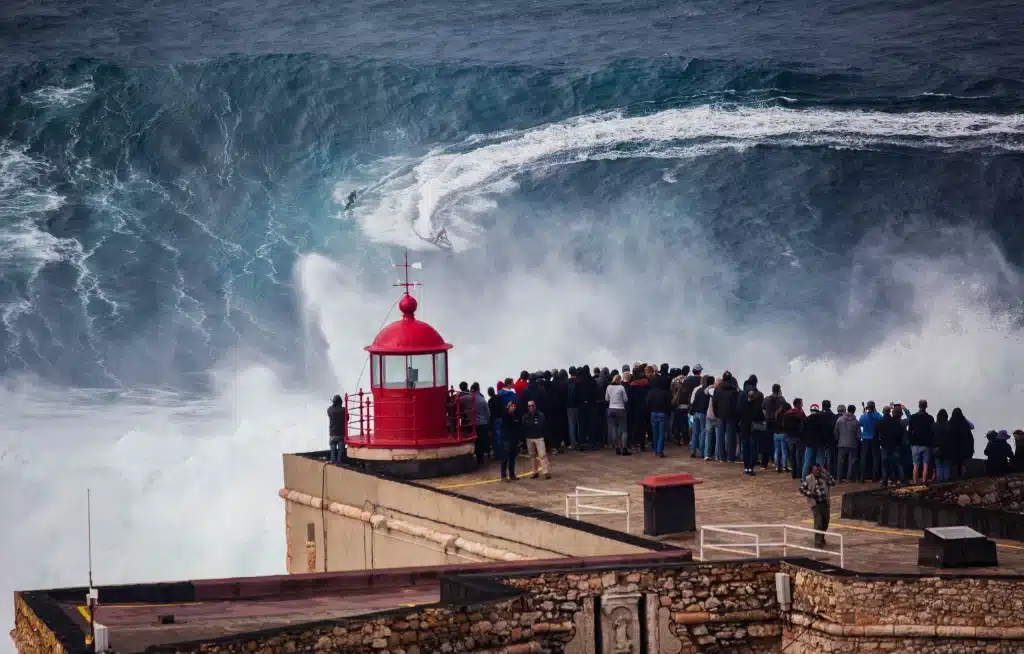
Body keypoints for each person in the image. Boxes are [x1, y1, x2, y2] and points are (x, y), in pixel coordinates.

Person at [800, 462, 836, 548]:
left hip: (825, 503)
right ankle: (818, 541)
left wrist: (826, 473)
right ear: (812, 470)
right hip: (815, 504)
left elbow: (833, 483)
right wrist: (810, 494)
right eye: (815, 470)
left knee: (825, 522)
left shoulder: (824, 478)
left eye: (819, 470)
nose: (817, 471)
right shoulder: (808, 478)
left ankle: (821, 537)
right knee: (818, 522)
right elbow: (801, 489)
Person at [712, 371, 741, 462]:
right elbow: (737, 405)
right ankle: (730, 456)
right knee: (730, 437)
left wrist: (716, 414)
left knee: (720, 437)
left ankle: (722, 457)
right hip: (731, 416)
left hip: (720, 415)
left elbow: (714, 403)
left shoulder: (717, 389)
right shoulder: (734, 391)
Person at [877, 406, 906, 487]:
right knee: (898, 464)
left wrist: (880, 442)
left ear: (883, 412)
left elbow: (876, 434)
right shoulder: (894, 421)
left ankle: (885, 481)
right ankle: (902, 480)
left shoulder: (880, 422)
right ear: (890, 412)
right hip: (895, 445)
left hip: (884, 445)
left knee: (884, 465)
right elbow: (900, 432)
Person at [908, 399, 935, 484]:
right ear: (926, 406)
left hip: (915, 444)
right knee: (926, 465)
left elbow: (909, 431)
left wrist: (911, 442)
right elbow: (932, 432)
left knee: (915, 465)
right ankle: (924, 482)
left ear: (919, 406)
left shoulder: (913, 417)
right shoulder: (930, 418)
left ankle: (915, 482)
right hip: (926, 444)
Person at [740, 388, 766, 475]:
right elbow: (762, 418)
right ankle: (751, 467)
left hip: (744, 429)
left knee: (745, 449)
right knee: (753, 449)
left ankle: (746, 467)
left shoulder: (743, 405)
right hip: (753, 430)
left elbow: (739, 414)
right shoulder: (757, 406)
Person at [763, 384, 788, 472]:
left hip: (768, 423)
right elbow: (786, 411)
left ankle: (765, 464)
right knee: (781, 448)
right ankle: (781, 465)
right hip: (778, 425)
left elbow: (763, 411)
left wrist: (766, 419)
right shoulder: (782, 400)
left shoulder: (766, 399)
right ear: (779, 390)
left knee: (768, 445)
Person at [647, 369, 672, 457]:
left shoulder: (651, 392)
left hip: (653, 413)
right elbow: (668, 404)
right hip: (662, 413)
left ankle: (655, 449)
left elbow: (648, 403)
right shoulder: (665, 393)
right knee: (661, 433)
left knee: (655, 432)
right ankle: (660, 450)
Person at [834, 405, 860, 482]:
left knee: (840, 462)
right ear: (854, 411)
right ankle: (849, 478)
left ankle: (839, 478)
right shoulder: (856, 422)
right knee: (851, 462)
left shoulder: (840, 420)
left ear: (847, 410)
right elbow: (858, 435)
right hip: (852, 444)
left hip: (841, 443)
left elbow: (836, 432)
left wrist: (838, 439)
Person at [858, 401, 883, 482]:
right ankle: (874, 477)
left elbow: (861, 424)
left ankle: (862, 477)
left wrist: (865, 414)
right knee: (875, 458)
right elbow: (881, 421)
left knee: (863, 458)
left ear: (867, 407)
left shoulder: (863, 416)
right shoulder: (878, 416)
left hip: (865, 439)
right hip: (875, 439)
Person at [802, 404, 829, 478]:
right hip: (820, 443)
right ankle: (819, 478)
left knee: (807, 462)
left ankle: (804, 479)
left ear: (811, 411)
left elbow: (803, 431)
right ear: (818, 410)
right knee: (820, 462)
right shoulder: (823, 420)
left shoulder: (806, 419)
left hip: (809, 443)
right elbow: (825, 432)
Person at [782, 398, 807, 479]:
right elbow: (805, 423)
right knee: (799, 456)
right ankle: (799, 473)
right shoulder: (800, 413)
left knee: (792, 456)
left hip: (790, 437)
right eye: (801, 403)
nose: (802, 405)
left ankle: (793, 473)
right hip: (799, 437)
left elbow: (784, 425)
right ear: (798, 404)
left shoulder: (787, 414)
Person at [606, 374, 630, 455]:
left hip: (611, 409)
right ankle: (624, 448)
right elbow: (626, 399)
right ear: (620, 380)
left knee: (614, 429)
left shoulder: (609, 387)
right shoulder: (621, 387)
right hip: (620, 409)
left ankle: (617, 447)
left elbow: (606, 398)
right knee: (624, 430)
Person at [689, 374, 711, 459]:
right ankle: (702, 452)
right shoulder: (708, 392)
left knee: (695, 433)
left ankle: (693, 450)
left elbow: (694, 402)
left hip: (695, 413)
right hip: (703, 413)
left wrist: (692, 412)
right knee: (703, 432)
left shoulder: (698, 390)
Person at [948, 408, 975, 478]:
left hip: (954, 446)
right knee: (963, 462)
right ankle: (962, 476)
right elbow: (972, 426)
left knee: (955, 462)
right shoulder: (965, 424)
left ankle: (955, 476)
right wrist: (965, 418)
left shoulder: (950, 423)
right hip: (964, 446)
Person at [500, 401, 521, 481]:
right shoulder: (505, 414)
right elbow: (505, 418)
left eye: (514, 406)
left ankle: (512, 474)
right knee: (505, 458)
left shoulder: (516, 415)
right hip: (506, 439)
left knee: (512, 458)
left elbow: (518, 426)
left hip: (514, 439)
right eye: (512, 406)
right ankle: (503, 476)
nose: (513, 408)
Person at [470, 382, 491, 465]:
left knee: (475, 442)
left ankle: (476, 458)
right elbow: (488, 413)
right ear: (478, 389)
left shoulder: (469, 399)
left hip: (472, 424)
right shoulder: (482, 400)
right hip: (482, 424)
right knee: (482, 442)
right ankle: (481, 459)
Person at [931, 409, 953, 482]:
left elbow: (932, 436)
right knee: (946, 465)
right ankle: (946, 479)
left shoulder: (934, 425)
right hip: (947, 448)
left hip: (937, 448)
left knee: (938, 465)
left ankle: (939, 480)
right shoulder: (949, 426)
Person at [328, 395, 347, 465]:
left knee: (332, 446)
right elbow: (347, 418)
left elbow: (330, 411)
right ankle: (340, 462)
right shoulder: (344, 410)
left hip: (332, 433)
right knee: (341, 448)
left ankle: (333, 460)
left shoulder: (329, 410)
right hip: (341, 433)